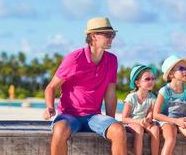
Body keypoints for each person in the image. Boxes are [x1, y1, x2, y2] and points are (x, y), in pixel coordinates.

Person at [42, 17, 127, 155]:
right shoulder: (74, 58)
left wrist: (111, 120)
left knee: (118, 130)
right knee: (59, 130)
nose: (111, 38)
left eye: (113, 35)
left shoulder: (112, 60)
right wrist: (50, 107)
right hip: (69, 115)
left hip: (94, 117)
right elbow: (51, 87)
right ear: (93, 36)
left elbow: (110, 94)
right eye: (107, 34)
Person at [153, 55, 186, 155]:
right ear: (171, 74)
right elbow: (155, 114)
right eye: (181, 69)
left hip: (182, 122)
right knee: (170, 139)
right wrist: (175, 121)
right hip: (166, 121)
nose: (185, 71)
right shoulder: (165, 91)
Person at [122, 64, 160, 155]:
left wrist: (148, 119)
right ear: (138, 83)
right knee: (139, 129)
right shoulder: (131, 97)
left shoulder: (152, 97)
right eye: (147, 79)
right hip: (132, 123)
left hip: (145, 122)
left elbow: (151, 113)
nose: (151, 81)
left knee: (155, 129)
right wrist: (139, 121)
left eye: (153, 78)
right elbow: (124, 118)